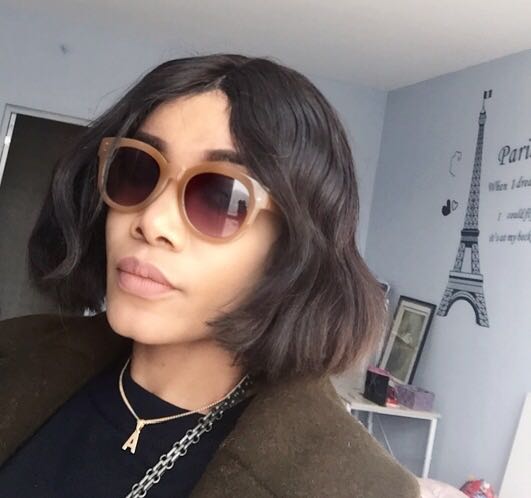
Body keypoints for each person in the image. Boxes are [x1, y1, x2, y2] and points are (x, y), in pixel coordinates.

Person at [0, 54, 420, 497]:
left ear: (293, 248)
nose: (151, 221)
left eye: (220, 197)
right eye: (137, 171)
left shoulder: (357, 487)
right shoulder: (14, 350)